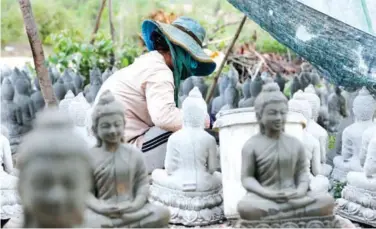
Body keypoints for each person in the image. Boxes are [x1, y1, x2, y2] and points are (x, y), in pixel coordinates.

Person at [93, 16, 216, 173]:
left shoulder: (148, 63)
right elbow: (164, 117)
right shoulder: (160, 71)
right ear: (182, 51)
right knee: (187, 135)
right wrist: (205, 120)